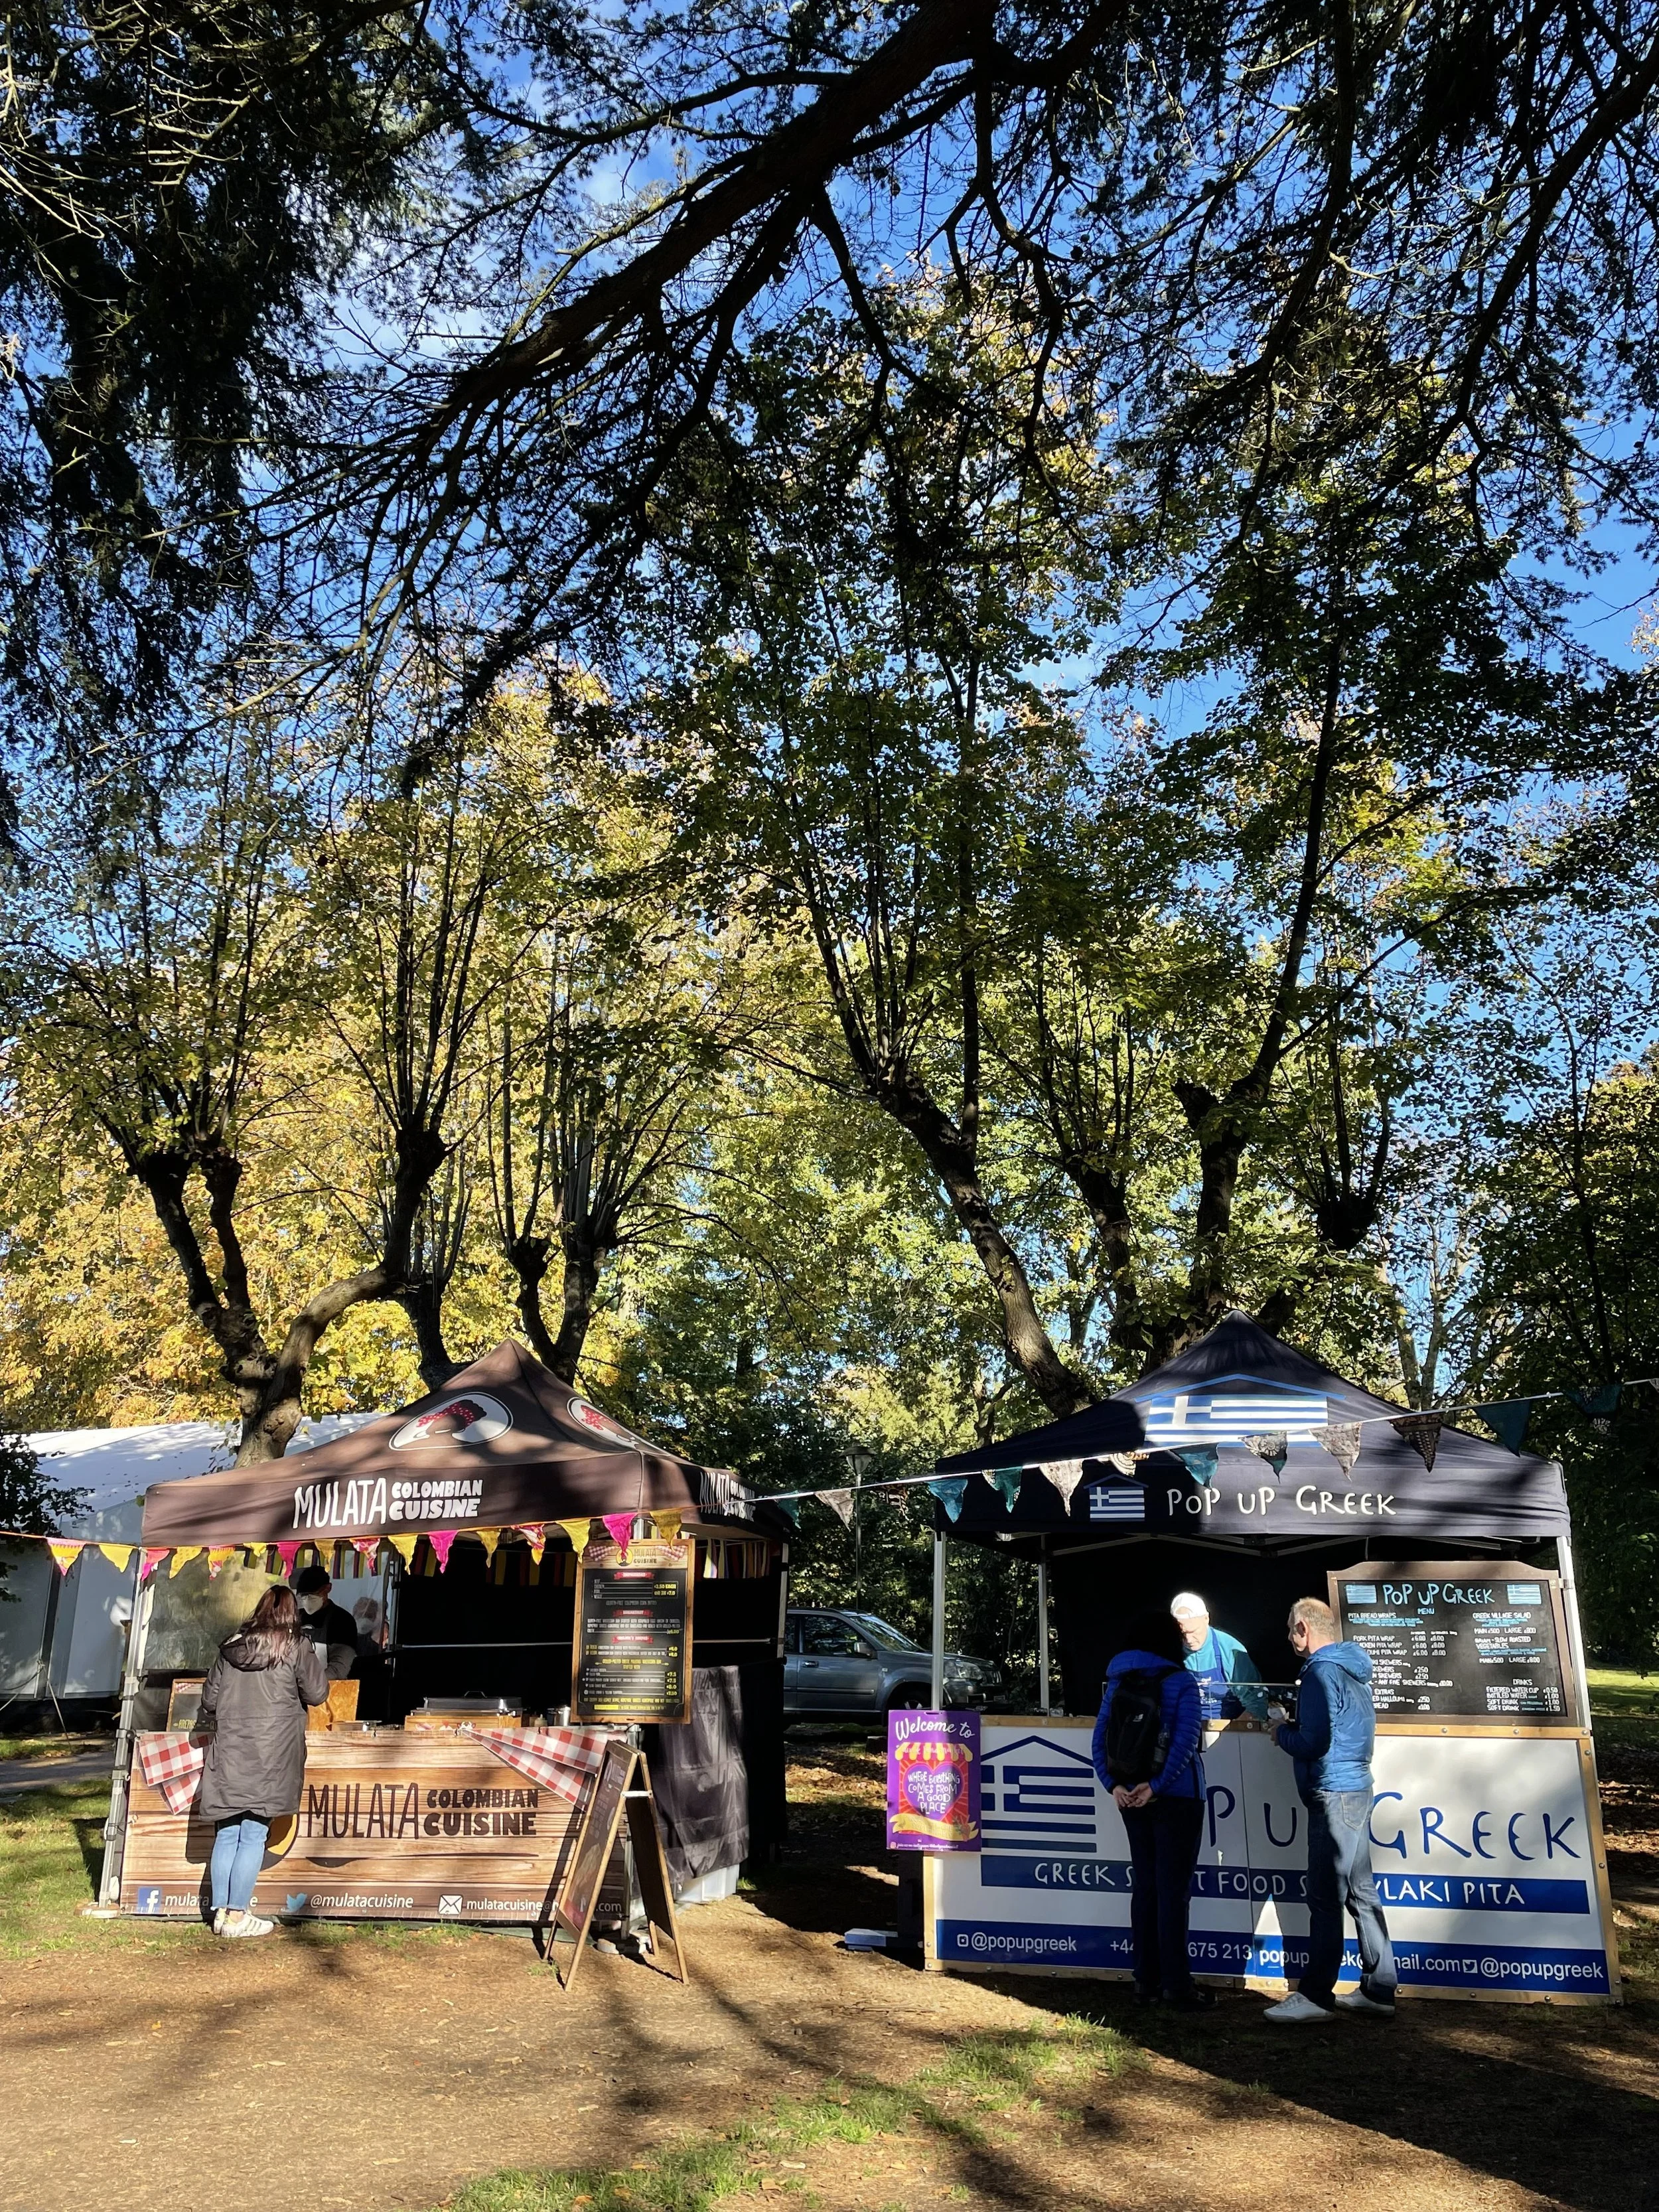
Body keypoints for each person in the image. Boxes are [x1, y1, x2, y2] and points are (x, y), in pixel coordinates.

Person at [1263, 1595, 1398, 2024]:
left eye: (1291, 1629)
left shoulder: (1320, 1672)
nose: (1289, 1638)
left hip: (1333, 1792)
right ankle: (1379, 1990)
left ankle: (1316, 1995)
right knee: (1361, 1892)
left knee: (1325, 1897)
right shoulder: (1351, 1668)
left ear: (1304, 1628)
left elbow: (1314, 1742)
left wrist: (1281, 1732)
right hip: (1356, 1787)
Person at [1092, 1607, 1210, 2011]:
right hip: (1178, 1798)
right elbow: (1186, 1742)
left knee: (1145, 1887)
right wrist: (1156, 1786)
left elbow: (1099, 1739)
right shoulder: (1182, 1681)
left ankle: (1145, 1981)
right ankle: (1176, 1985)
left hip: (1129, 1797)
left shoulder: (1117, 1680)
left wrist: (1115, 1786)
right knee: (1172, 1892)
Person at [197, 1584, 329, 1937]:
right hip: (274, 1754)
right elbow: (318, 1693)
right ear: (291, 1614)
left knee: (227, 1832)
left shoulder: (230, 1648)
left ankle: (221, 1914)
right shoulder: (296, 1646)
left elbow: (209, 1700)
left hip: (231, 1751)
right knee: (254, 1833)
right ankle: (237, 1916)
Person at [1169, 1592, 1270, 1722]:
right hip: (1185, 1723)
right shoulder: (1169, 1649)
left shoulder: (1230, 1650)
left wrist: (1232, 1730)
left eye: (1194, 1632)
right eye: (1182, 1634)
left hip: (1226, 1725)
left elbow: (1256, 1703)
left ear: (1206, 1619)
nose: (1189, 1640)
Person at [291, 1562, 363, 1679]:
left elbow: (339, 1668)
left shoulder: (342, 1620)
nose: (308, 1598)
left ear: (328, 1588)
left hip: (327, 1686)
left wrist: (313, 1684)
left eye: (314, 1594)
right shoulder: (296, 1617)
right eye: (304, 1595)